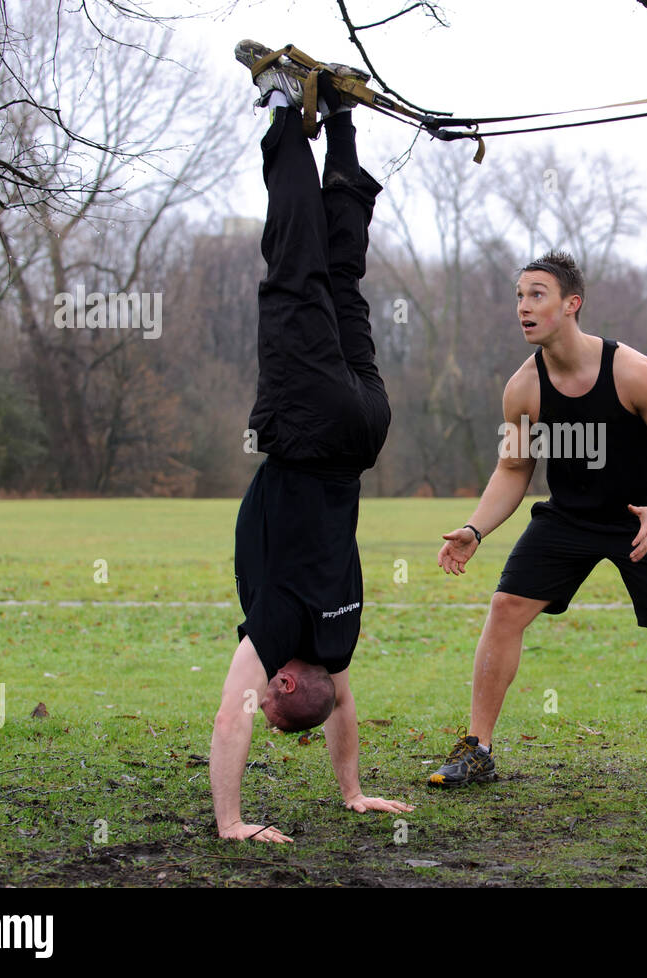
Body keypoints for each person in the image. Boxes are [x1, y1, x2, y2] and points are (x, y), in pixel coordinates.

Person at [429, 251, 647, 786]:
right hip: (569, 519)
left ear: (571, 304)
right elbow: (514, 468)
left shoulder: (632, 371)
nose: (524, 307)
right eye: (519, 296)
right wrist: (474, 529)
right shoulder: (523, 388)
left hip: (645, 517)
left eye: (538, 294)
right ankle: (478, 747)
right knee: (506, 607)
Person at [210, 41, 411, 843]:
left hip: (366, 428)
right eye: (270, 691)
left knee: (338, 277)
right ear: (285, 677)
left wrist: (353, 791)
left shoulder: (341, 635)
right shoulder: (285, 629)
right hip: (312, 424)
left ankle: (341, 123)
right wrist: (231, 823)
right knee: (293, 270)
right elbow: (233, 718)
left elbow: (341, 713)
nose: (258, 690)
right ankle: (286, 111)